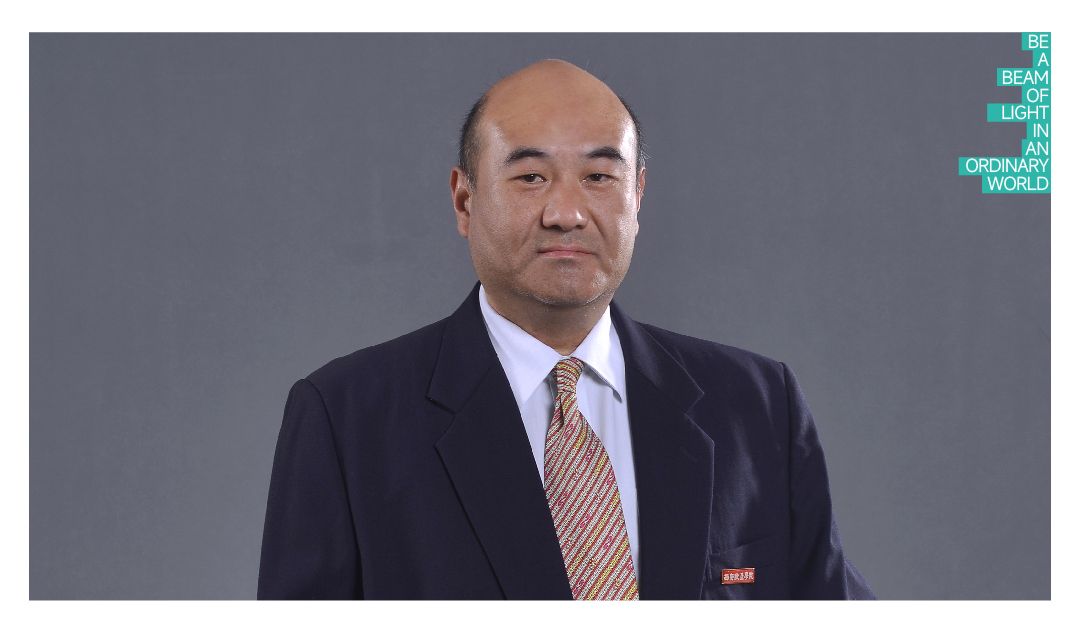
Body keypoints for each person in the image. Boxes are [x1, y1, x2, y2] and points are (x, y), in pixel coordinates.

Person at [257, 58, 875, 600]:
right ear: (464, 200)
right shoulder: (346, 418)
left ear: (638, 196)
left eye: (599, 177)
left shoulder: (757, 405)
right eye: (531, 177)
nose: (567, 213)